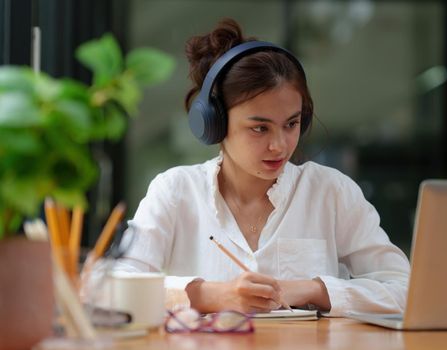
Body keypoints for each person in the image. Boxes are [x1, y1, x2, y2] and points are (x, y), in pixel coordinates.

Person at [114, 18, 410, 317]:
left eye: (291, 124)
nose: (279, 145)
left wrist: (313, 289)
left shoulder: (331, 191)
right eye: (260, 129)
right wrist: (213, 294)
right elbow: (116, 287)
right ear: (214, 124)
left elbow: (404, 290)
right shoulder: (175, 191)